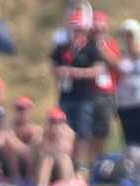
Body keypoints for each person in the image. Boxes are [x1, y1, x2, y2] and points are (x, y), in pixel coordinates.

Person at [51, 10, 106, 169]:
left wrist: (78, 73)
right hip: (66, 95)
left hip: (84, 96)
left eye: (78, 29)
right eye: (73, 29)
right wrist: (60, 71)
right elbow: (53, 66)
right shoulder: (63, 47)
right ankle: (66, 162)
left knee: (83, 131)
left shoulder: (90, 47)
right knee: (65, 129)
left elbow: (97, 69)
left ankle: (81, 163)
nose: (75, 32)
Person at [114, 20, 140, 148]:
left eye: (130, 35)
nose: (128, 39)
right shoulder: (120, 54)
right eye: (125, 35)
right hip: (125, 104)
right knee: (130, 140)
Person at [36, 106, 78, 186]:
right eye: (53, 121)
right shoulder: (43, 133)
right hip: (45, 169)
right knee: (48, 159)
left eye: (59, 121)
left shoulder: (69, 133)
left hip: (63, 168)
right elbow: (41, 152)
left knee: (64, 158)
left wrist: (59, 137)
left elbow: (68, 152)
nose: (56, 124)